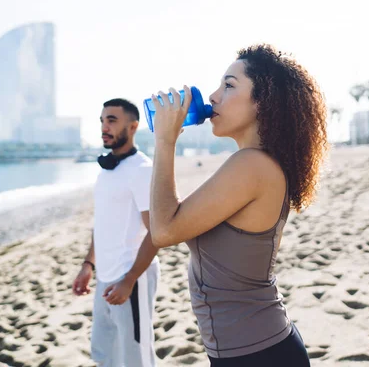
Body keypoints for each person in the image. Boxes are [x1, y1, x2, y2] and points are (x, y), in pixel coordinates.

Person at [137, 44, 328, 366]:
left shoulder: (252, 165)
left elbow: (164, 230)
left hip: (258, 353)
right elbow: (175, 219)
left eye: (229, 85)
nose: (212, 97)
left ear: (263, 102)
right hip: (250, 349)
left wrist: (165, 142)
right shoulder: (252, 163)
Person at [71, 98, 161, 367]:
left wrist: (130, 279)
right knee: (104, 353)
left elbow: (156, 232)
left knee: (137, 356)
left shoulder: (142, 170)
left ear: (132, 127)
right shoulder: (107, 170)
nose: (104, 127)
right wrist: (88, 264)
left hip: (132, 276)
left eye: (112, 120)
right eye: (102, 120)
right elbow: (103, 222)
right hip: (104, 277)